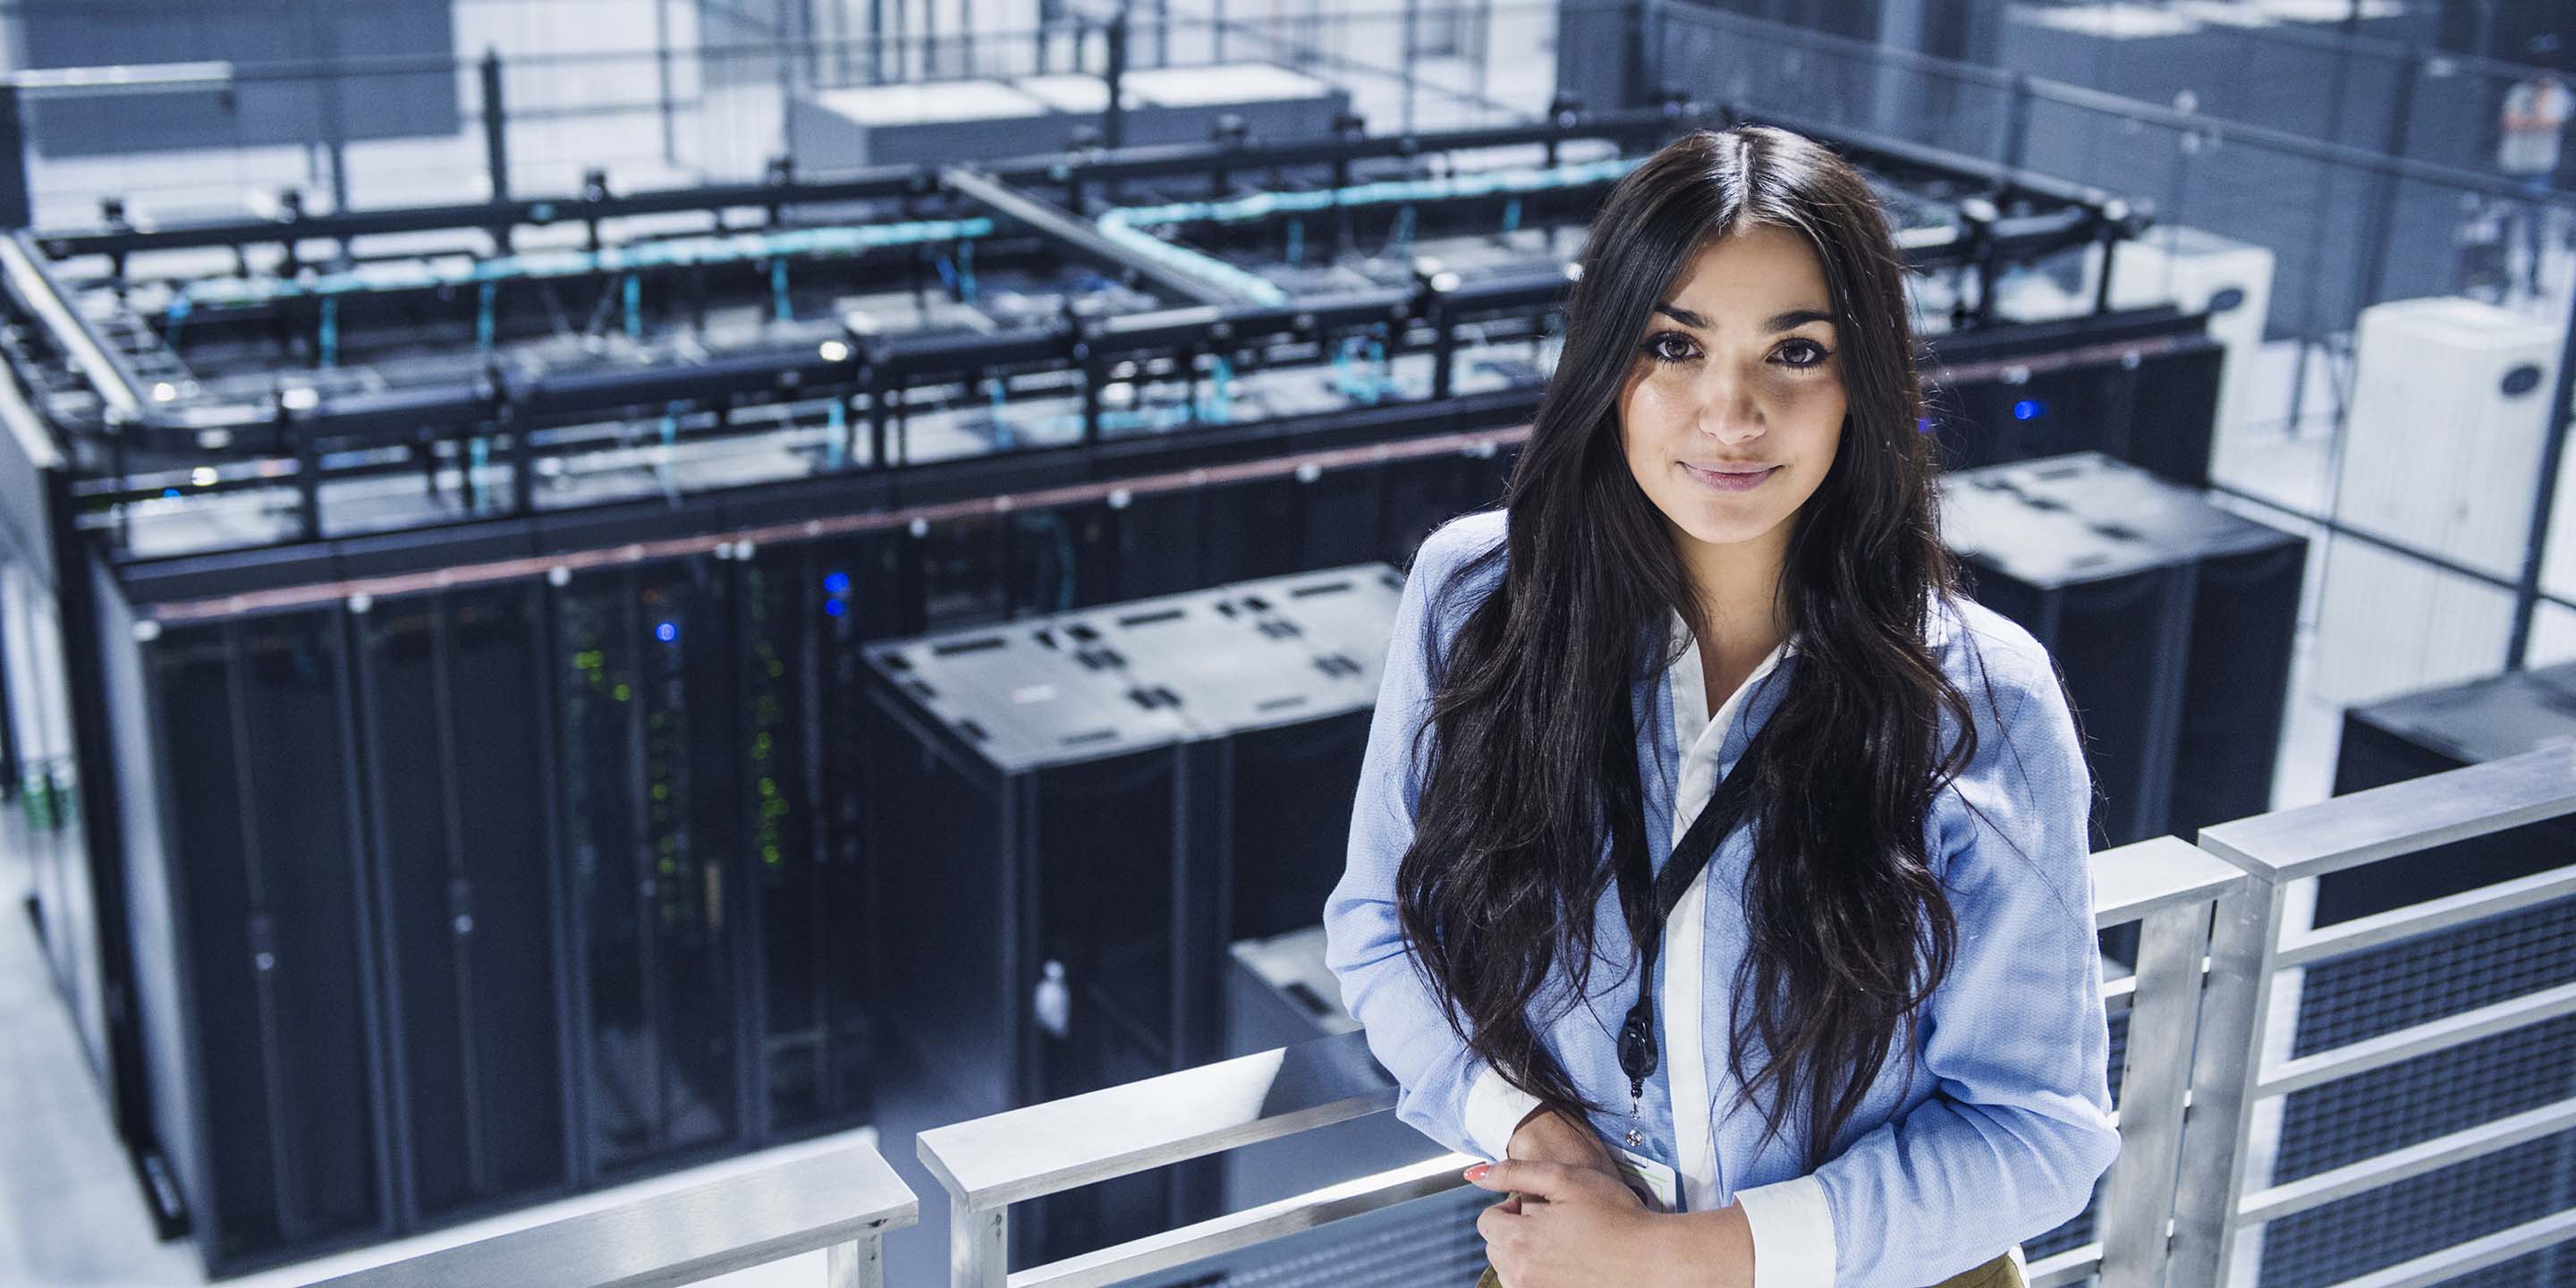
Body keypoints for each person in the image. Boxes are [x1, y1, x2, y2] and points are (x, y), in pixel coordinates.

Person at [1323, 126, 2117, 1288]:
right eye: (1675, 346)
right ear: (1608, 364)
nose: (1732, 414)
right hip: (1575, 1255)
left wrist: (1686, 1258)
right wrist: (1536, 1137)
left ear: (1863, 384)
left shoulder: (1980, 696)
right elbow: (1382, 925)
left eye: (1795, 352)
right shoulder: (1480, 600)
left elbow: (2040, 1130)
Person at [2497, 70, 2572, 296]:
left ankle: (2533, 277)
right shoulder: (2519, 91)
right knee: (2506, 219)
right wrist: (2532, 122)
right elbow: (2510, 122)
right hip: (2512, 163)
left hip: (2538, 167)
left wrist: (2541, 100)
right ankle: (2501, 273)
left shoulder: (2559, 96)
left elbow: (2547, 123)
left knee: (2534, 222)